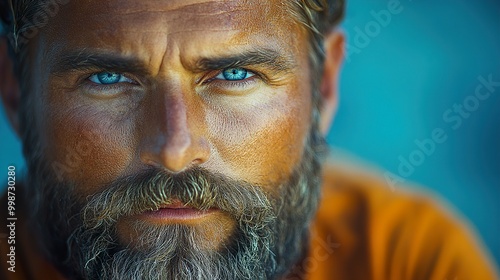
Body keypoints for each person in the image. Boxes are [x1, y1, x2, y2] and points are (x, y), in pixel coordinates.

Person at [0, 0, 497, 279]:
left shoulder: (405, 258)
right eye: (107, 79)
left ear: (323, 88)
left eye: (235, 73)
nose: (176, 150)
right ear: (16, 93)